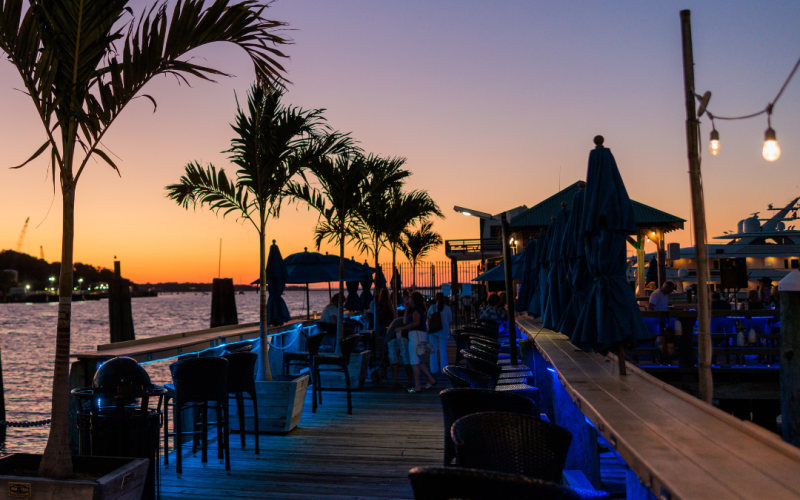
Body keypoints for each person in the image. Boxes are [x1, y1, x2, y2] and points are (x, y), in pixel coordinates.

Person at [394, 291, 436, 393]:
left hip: (416, 335)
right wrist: (407, 308)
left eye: (410, 297)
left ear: (414, 299)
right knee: (418, 360)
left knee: (414, 361)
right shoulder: (416, 309)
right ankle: (431, 379)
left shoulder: (417, 309)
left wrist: (402, 328)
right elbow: (405, 321)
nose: (408, 299)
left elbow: (416, 323)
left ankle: (417, 386)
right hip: (419, 335)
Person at [427, 292, 453, 374]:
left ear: (435, 298)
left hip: (433, 331)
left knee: (433, 351)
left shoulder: (432, 307)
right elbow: (450, 320)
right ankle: (444, 370)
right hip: (443, 331)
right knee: (443, 351)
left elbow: (428, 318)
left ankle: (433, 369)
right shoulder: (447, 308)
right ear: (444, 299)